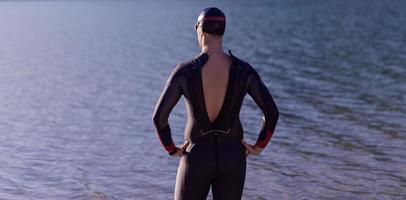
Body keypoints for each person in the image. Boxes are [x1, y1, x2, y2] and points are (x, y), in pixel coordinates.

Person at [152, 7, 279, 200]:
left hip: (196, 156)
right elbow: (271, 113)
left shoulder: (184, 72)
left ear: (200, 31)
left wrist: (172, 149)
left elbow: (159, 118)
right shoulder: (244, 71)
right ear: (222, 32)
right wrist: (259, 146)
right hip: (233, 156)